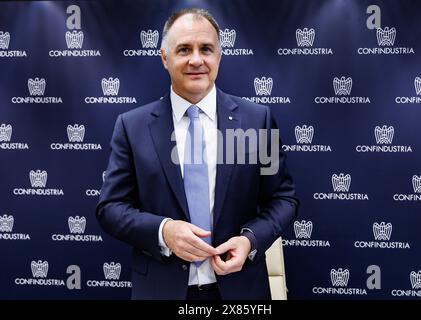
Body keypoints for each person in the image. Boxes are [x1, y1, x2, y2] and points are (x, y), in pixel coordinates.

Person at [96, 8, 298, 300]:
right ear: (165, 58)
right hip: (160, 291)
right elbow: (110, 208)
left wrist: (250, 241)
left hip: (240, 291)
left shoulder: (257, 120)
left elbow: (283, 199)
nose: (196, 60)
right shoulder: (132, 126)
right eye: (183, 50)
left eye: (206, 49)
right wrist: (163, 232)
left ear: (219, 56)